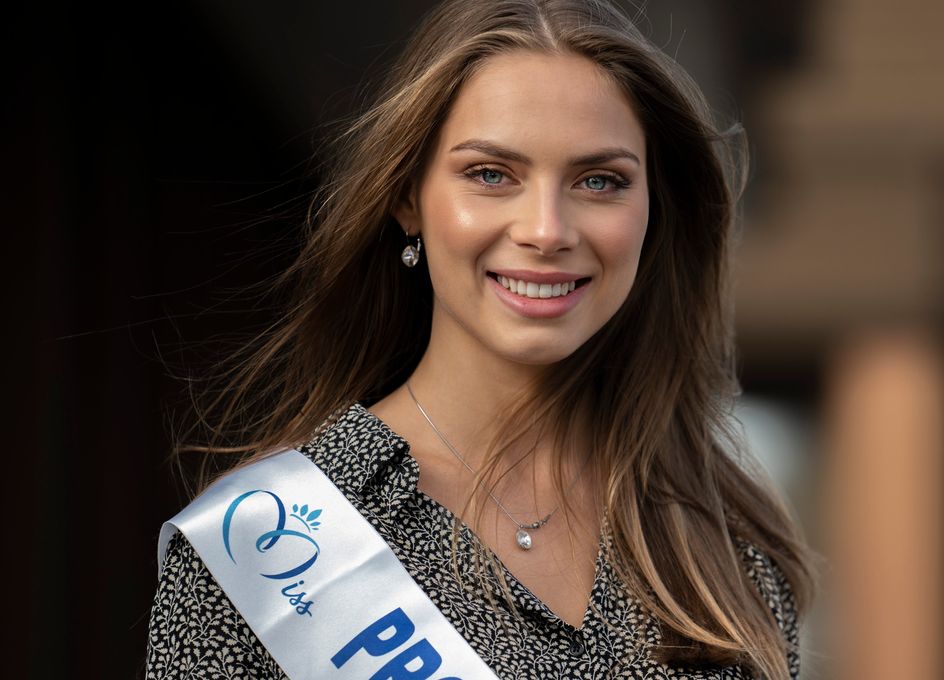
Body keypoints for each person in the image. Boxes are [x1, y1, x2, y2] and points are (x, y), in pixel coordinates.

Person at [146, 0, 816, 678]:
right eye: (491, 175)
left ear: (653, 213)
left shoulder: (723, 551)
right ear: (408, 196)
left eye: (600, 180)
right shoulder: (268, 544)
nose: (547, 229)